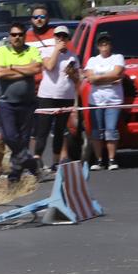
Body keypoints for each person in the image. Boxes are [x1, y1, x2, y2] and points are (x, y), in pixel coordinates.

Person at [0, 23, 43, 182]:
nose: (17, 37)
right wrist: (24, 72)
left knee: (23, 140)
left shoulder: (32, 50)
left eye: (20, 34)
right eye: (14, 35)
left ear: (24, 36)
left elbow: (36, 69)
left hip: (27, 103)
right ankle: (31, 164)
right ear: (9, 36)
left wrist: (13, 67)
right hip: (6, 102)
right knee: (9, 137)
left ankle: (14, 176)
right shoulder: (1, 51)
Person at [33, 24, 80, 173]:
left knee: (60, 130)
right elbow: (49, 66)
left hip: (65, 97)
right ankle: (37, 159)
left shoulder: (73, 56)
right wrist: (56, 51)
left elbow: (77, 79)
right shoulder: (46, 51)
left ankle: (55, 162)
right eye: (58, 36)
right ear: (54, 38)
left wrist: (72, 73)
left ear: (68, 39)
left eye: (64, 37)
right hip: (47, 96)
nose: (61, 39)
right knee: (43, 130)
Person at [84, 31, 126, 171]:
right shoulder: (92, 60)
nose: (104, 46)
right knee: (96, 131)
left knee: (111, 130)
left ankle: (112, 159)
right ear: (98, 46)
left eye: (106, 43)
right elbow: (90, 78)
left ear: (110, 45)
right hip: (96, 100)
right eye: (101, 44)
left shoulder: (117, 58)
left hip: (113, 100)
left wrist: (99, 77)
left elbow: (117, 73)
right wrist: (110, 78)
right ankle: (99, 160)